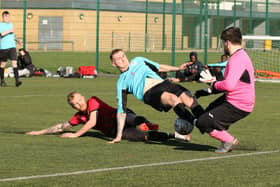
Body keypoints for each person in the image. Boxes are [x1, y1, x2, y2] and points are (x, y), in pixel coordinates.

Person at [109, 49, 204, 143]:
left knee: (188, 100)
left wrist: (178, 68)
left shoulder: (138, 60)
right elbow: (121, 111)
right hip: (150, 93)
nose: (122, 59)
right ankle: (198, 123)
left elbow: (158, 67)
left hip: (162, 83)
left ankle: (207, 120)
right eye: (118, 59)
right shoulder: (121, 82)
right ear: (114, 64)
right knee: (173, 99)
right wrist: (119, 135)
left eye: (123, 56)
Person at [26, 92, 190, 142]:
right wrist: (39, 132)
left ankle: (146, 122)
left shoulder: (93, 101)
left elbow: (93, 122)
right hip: (112, 131)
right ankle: (176, 135)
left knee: (132, 118)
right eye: (75, 104)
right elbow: (62, 126)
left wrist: (76, 134)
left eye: (79, 100)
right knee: (145, 137)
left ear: (83, 98)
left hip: (120, 117)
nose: (79, 104)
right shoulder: (78, 117)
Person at [195, 27, 255, 153]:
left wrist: (213, 83)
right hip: (235, 99)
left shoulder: (237, 59)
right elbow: (232, 84)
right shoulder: (239, 56)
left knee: (203, 122)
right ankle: (224, 136)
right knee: (206, 114)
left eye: (223, 43)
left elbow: (229, 85)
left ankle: (229, 140)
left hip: (239, 104)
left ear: (227, 42)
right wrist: (209, 89)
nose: (223, 47)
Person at [0, 11, 22, 87]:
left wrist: (17, 40)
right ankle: (2, 80)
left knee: (14, 63)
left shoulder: (11, 24)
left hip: (12, 47)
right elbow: (1, 35)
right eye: (6, 16)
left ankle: (17, 80)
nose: (7, 18)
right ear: (3, 17)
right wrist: (9, 31)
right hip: (3, 48)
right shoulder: (0, 25)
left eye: (8, 16)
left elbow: (12, 35)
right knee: (2, 64)